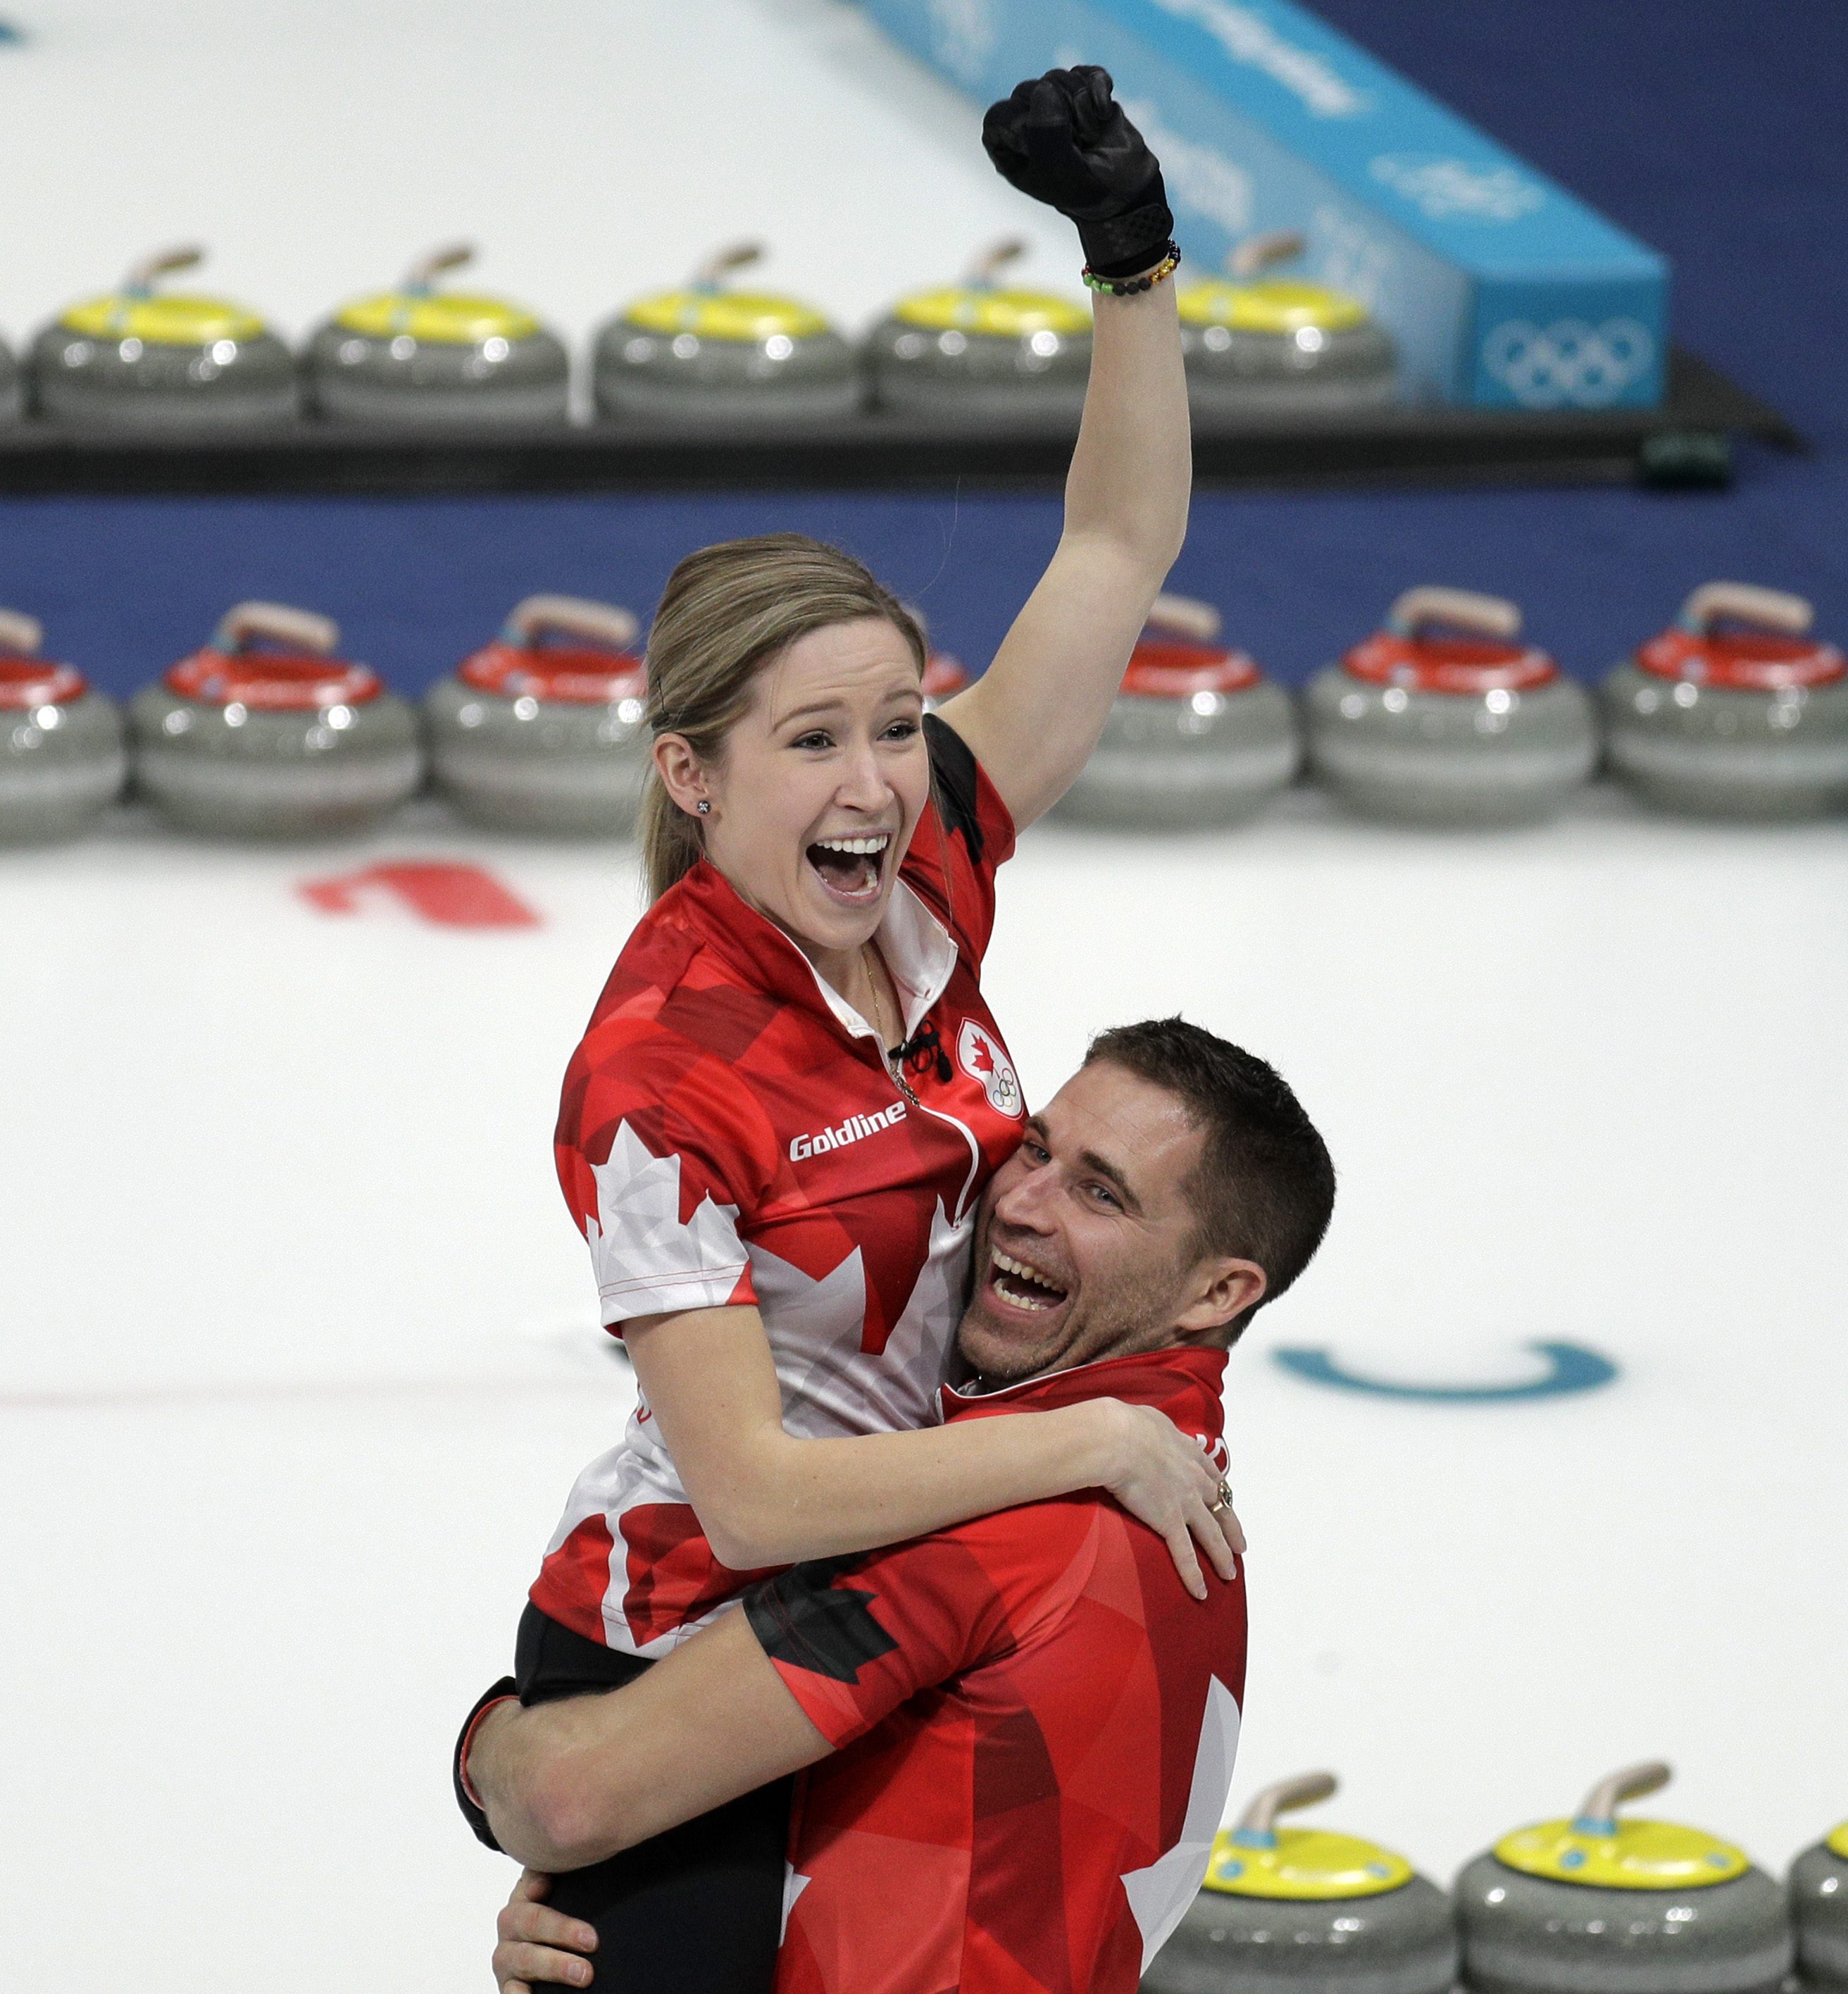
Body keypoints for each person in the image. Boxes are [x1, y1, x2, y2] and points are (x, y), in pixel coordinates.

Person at [456, 65, 1224, 1988]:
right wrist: (1091, 1452)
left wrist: (1129, 263)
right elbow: (756, 1492)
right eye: (815, 741)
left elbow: (1114, 553)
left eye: (895, 720)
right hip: (682, 1646)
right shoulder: (659, 1076)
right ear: (694, 777)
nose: (881, 777)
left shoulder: (925, 865)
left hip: (892, 1607)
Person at [466, 1020, 1337, 1994]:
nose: (1018, 1204)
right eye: (1036, 1149)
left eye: (1100, 1194)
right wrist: (638, 1920)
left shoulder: (999, 1519)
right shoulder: (1170, 1481)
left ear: (1217, 1291)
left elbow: (570, 1797)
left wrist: (493, 1741)